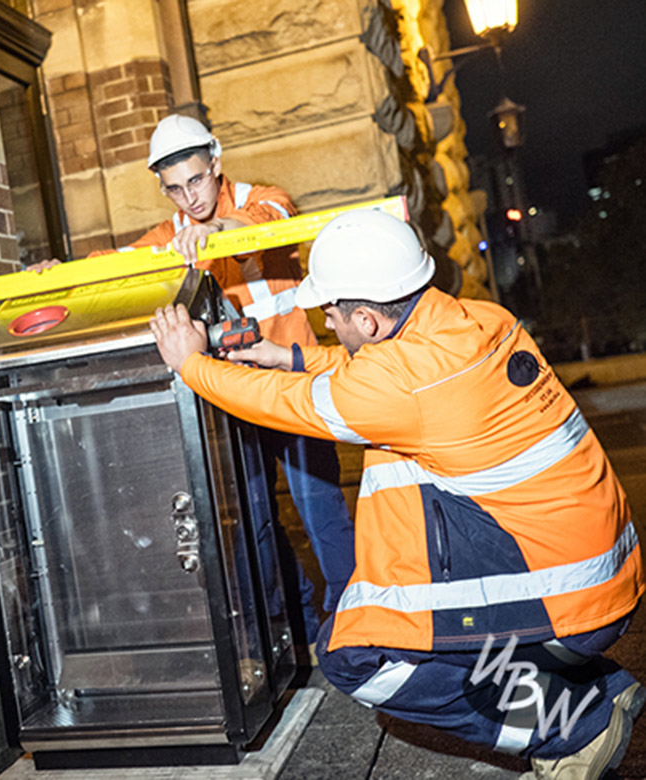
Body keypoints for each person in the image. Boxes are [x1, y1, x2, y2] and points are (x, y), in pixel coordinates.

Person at [148, 208, 645, 778]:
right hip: (604, 573)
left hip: (568, 599)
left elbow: (294, 404)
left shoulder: (398, 385)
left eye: (331, 311)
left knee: (358, 657)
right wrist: (289, 356)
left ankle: (578, 726)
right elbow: (379, 371)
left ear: (369, 318)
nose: (327, 321)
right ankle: (595, 682)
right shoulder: (479, 319)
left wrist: (190, 363)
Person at [33, 114, 356, 648]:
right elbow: (112, 265)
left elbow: (262, 219)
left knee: (320, 509)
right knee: (254, 518)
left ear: (216, 162)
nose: (190, 198)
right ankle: (292, 620)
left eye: (197, 181)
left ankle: (355, 622)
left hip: (292, 381)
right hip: (235, 393)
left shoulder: (262, 196)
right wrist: (56, 276)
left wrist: (214, 231)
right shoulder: (172, 233)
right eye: (175, 189)